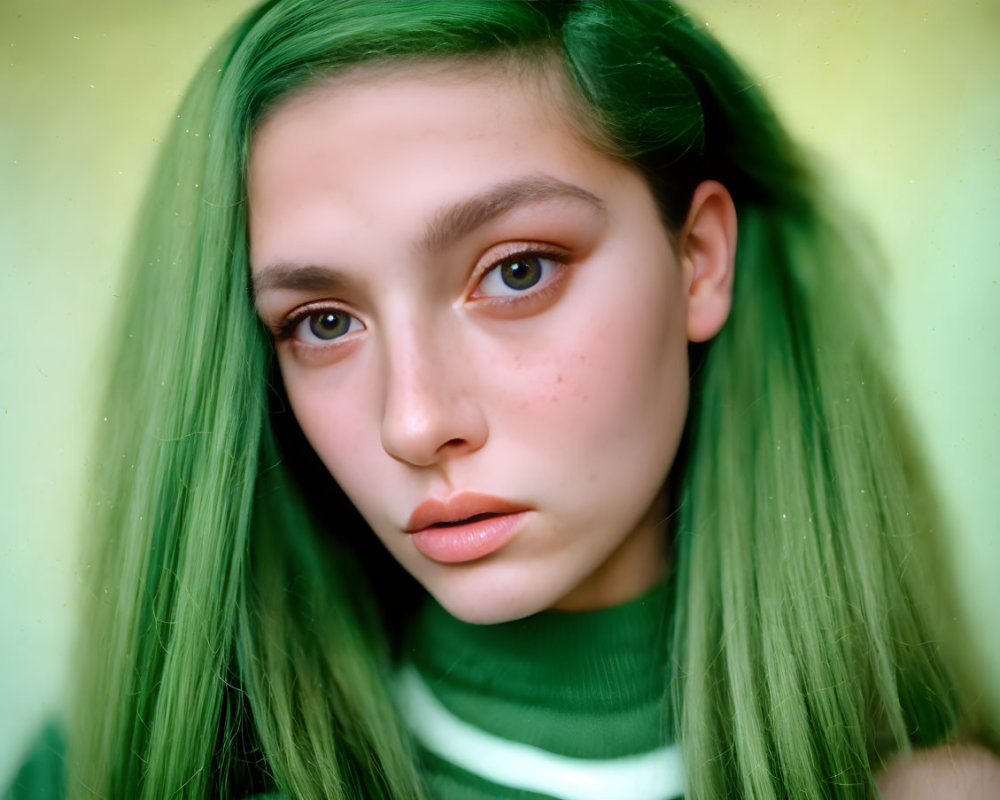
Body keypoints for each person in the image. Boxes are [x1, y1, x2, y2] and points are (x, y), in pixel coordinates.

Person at [5, 1, 998, 798]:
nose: (414, 420)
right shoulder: (100, 772)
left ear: (698, 259)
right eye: (322, 320)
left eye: (517, 270)